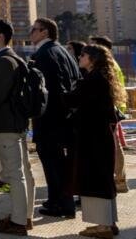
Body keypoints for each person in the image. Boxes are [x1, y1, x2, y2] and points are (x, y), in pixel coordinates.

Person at [65, 45, 126, 239]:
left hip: (93, 138)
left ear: (92, 59)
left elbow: (74, 100)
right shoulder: (100, 77)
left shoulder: (93, 80)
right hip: (99, 136)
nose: (79, 57)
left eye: (82, 55)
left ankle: (103, 226)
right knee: (103, 179)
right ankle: (108, 222)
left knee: (95, 180)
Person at [0, 19, 35, 236]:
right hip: (16, 122)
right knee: (22, 172)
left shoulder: (5, 61)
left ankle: (19, 221)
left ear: (0, 36)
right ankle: (24, 216)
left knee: (14, 174)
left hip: (6, 124)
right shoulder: (11, 58)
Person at [29, 17, 81, 218]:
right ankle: (61, 202)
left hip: (50, 120)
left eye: (34, 29)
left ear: (45, 32)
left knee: (52, 164)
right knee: (60, 164)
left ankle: (58, 203)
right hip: (63, 119)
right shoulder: (63, 52)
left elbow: (49, 90)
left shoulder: (45, 54)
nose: (31, 33)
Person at [89, 36, 129, 193]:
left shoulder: (109, 65)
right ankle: (119, 179)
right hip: (116, 107)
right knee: (114, 144)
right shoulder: (110, 64)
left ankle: (120, 180)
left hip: (113, 108)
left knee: (115, 146)